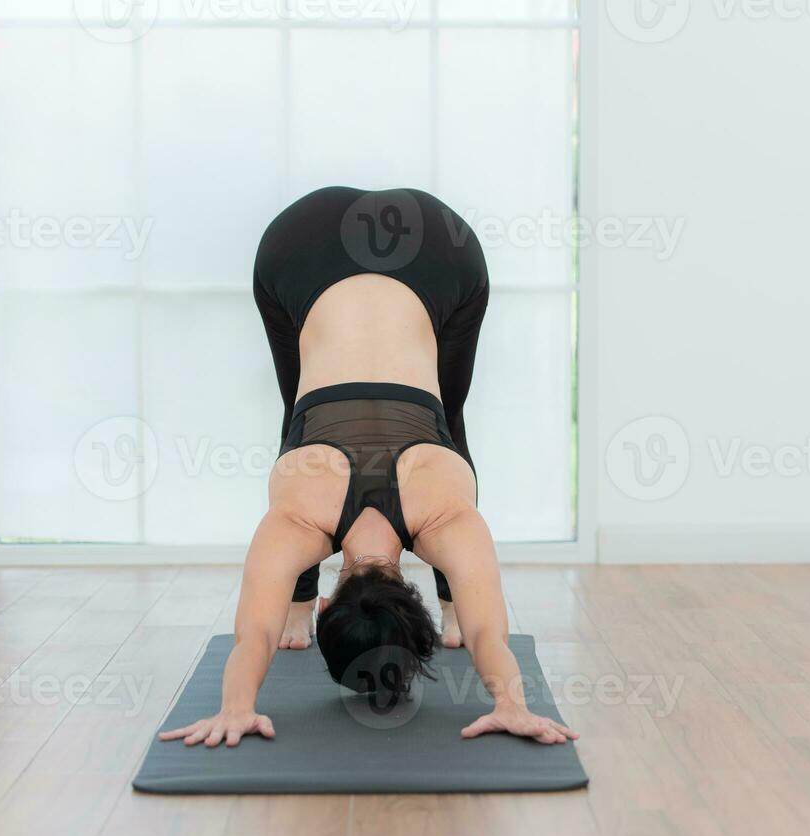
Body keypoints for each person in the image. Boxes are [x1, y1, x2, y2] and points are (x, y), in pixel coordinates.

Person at [161, 186, 577, 748]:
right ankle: (298, 602)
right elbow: (253, 636)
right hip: (299, 242)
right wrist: (235, 709)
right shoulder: (296, 518)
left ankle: (366, 609)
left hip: (435, 244)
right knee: (300, 420)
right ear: (332, 604)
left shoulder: (448, 515)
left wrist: (513, 703)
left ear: (416, 596)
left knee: (445, 421)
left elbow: (486, 632)